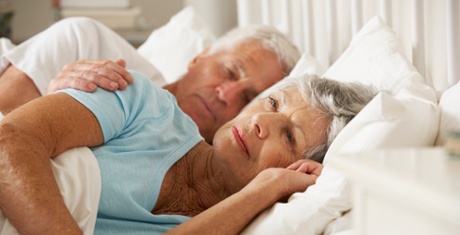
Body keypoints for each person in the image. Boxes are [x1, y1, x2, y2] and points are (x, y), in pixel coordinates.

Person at [0, 70, 375, 235]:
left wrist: (264, 190)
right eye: (272, 102)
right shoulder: (145, 105)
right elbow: (9, 139)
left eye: (289, 136)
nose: (261, 120)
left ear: (302, 167)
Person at [0, 16, 301, 143]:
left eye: (248, 99)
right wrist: (57, 104)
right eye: (230, 71)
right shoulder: (86, 43)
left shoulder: (198, 174)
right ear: (199, 57)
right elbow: (6, 130)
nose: (227, 93)